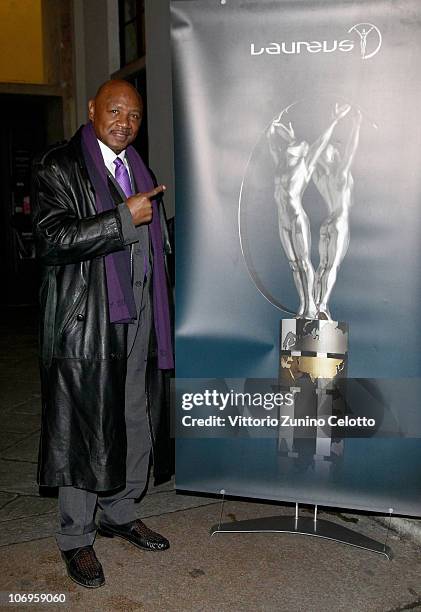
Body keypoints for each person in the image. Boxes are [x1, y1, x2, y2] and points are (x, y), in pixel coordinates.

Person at [32, 79, 174, 588]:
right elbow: (50, 239)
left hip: (138, 313)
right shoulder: (59, 165)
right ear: (92, 110)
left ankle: (119, 510)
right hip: (85, 319)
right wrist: (121, 217)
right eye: (115, 111)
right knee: (85, 421)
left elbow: (153, 242)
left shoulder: (140, 168)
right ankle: (76, 538)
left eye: (134, 116)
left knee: (132, 411)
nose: (124, 123)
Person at [267, 103, 351, 319]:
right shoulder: (281, 166)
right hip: (282, 219)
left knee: (304, 263)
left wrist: (333, 121)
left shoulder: (305, 166)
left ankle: (313, 306)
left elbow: (321, 143)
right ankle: (304, 306)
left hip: (295, 218)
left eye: (297, 144)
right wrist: (273, 127)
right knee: (294, 266)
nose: (293, 145)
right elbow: (271, 142)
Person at [312, 108, 362, 319]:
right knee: (331, 266)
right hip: (339, 220)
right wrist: (355, 124)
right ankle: (321, 306)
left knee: (322, 266)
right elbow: (351, 149)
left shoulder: (319, 177)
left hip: (327, 221)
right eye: (333, 150)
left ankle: (313, 308)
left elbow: (315, 151)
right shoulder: (339, 173)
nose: (337, 150)